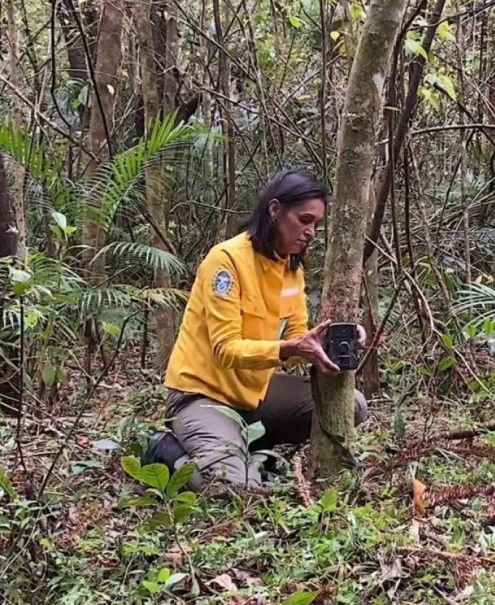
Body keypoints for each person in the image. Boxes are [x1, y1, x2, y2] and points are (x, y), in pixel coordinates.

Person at [143, 170, 369, 492]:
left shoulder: (292, 270)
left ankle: (249, 446)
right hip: (204, 394)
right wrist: (289, 348)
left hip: (256, 394)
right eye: (304, 220)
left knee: (353, 406)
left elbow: (295, 337)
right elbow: (226, 349)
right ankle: (166, 453)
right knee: (239, 490)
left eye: (316, 224)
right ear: (275, 210)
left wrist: (322, 341)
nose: (311, 232)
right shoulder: (227, 261)